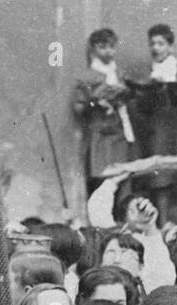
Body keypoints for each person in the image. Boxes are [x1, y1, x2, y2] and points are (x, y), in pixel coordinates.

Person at [130, 24, 177, 225]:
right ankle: (162, 227)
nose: (156, 48)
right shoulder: (148, 71)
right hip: (158, 130)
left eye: (161, 43)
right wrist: (152, 89)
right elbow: (143, 108)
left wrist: (174, 89)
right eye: (152, 44)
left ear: (170, 46)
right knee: (160, 181)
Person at [73, 28, 134, 195]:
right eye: (102, 47)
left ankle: (120, 216)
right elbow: (78, 108)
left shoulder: (118, 73)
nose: (108, 51)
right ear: (93, 49)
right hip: (99, 132)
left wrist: (122, 94)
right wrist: (94, 101)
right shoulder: (87, 77)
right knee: (101, 177)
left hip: (118, 130)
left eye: (111, 47)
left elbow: (126, 100)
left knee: (121, 175)